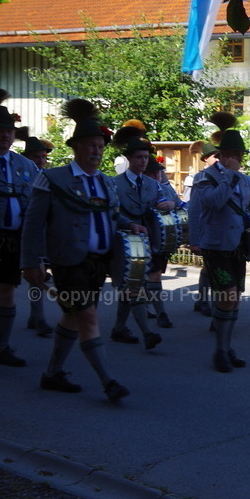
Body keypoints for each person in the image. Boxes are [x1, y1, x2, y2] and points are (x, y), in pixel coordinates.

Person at [20, 98, 135, 401]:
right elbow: (33, 224)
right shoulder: (52, 178)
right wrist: (31, 262)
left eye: (100, 146)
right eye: (91, 145)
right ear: (76, 147)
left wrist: (129, 224)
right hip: (68, 261)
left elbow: (109, 214)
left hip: (99, 263)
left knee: (73, 317)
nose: (97, 151)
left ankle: (52, 373)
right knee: (88, 318)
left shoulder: (107, 184)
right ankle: (109, 382)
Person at [190, 112, 250, 372]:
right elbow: (213, 202)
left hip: (238, 245)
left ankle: (226, 348)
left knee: (235, 297)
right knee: (226, 294)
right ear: (224, 155)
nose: (239, 159)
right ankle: (219, 350)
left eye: (240, 155)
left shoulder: (245, 179)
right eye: (235, 155)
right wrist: (227, 176)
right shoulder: (204, 178)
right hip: (215, 245)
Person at [109, 127, 164, 349]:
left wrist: (169, 205)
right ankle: (148, 332)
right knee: (133, 283)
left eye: (145, 157)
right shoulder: (114, 183)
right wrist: (128, 224)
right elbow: (111, 211)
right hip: (122, 239)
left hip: (144, 241)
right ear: (128, 159)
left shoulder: (153, 184)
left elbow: (170, 203)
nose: (143, 161)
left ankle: (119, 328)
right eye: (139, 157)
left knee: (130, 283)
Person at [0, 90, 40, 366]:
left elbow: (39, 204)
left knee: (6, 290)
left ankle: (2, 347)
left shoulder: (25, 165)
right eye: (0, 131)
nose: (5, 136)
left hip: (13, 240)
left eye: (9, 131)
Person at [143, 153, 184, 328]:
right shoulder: (141, 187)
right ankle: (157, 311)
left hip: (162, 238)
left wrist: (172, 205)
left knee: (154, 274)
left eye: (158, 173)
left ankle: (153, 308)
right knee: (147, 275)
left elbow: (181, 205)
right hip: (144, 236)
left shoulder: (166, 188)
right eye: (153, 173)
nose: (157, 176)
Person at [19, 134, 54, 337]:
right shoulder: (24, 176)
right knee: (35, 276)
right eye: (36, 157)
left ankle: (36, 316)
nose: (41, 161)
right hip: (25, 230)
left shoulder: (49, 176)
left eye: (43, 157)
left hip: (46, 232)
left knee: (39, 276)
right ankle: (38, 318)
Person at [187, 140, 217, 317]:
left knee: (211, 267)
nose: (219, 159)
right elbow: (194, 209)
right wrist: (195, 239)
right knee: (209, 266)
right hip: (206, 229)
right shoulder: (201, 177)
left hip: (220, 231)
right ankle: (203, 299)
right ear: (206, 159)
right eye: (215, 156)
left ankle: (206, 300)